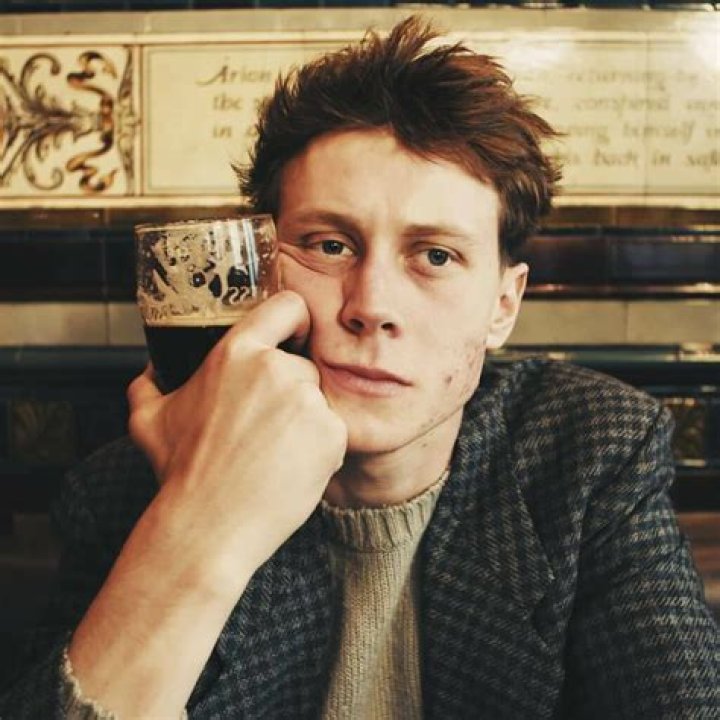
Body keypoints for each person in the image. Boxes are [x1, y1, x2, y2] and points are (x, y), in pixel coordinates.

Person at [1, 15, 718, 719]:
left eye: (435, 256)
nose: (371, 306)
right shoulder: (129, 486)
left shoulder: (592, 457)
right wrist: (198, 524)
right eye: (329, 245)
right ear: (265, 275)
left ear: (503, 305)